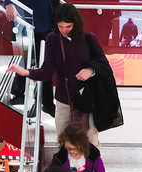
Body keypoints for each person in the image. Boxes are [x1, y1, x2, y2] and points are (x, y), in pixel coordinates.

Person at [6, 3, 110, 147]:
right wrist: (26, 72)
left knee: (90, 142)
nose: (64, 31)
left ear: (76, 23)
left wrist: (90, 70)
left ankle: (92, 169)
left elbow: (104, 65)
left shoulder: (89, 39)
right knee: (63, 143)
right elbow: (47, 70)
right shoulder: (52, 40)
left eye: (68, 27)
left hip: (86, 100)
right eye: (61, 27)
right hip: (63, 100)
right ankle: (67, 169)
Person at [3, 0, 58, 115]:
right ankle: (26, 95)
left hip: (45, 19)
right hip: (27, 19)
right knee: (32, 58)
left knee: (37, 60)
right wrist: (8, 3)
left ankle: (24, 94)